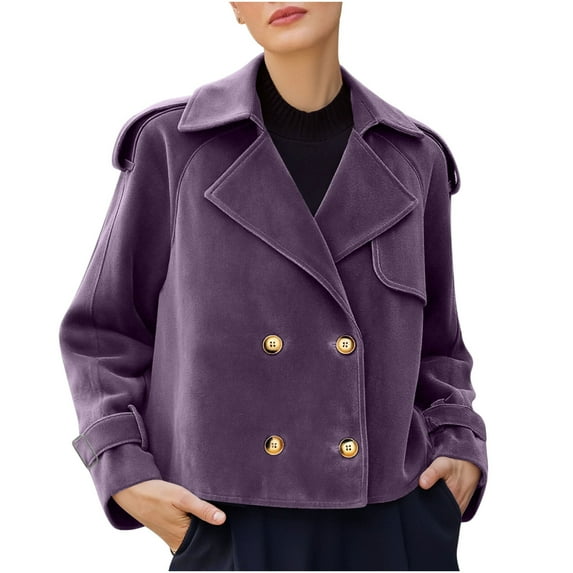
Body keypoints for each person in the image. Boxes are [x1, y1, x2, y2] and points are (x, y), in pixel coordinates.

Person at [58, 2, 488, 570]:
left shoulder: (414, 158)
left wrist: (460, 443)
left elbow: (439, 348)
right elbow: (102, 333)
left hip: (392, 520)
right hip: (231, 523)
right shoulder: (175, 146)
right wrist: (122, 469)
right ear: (236, 7)